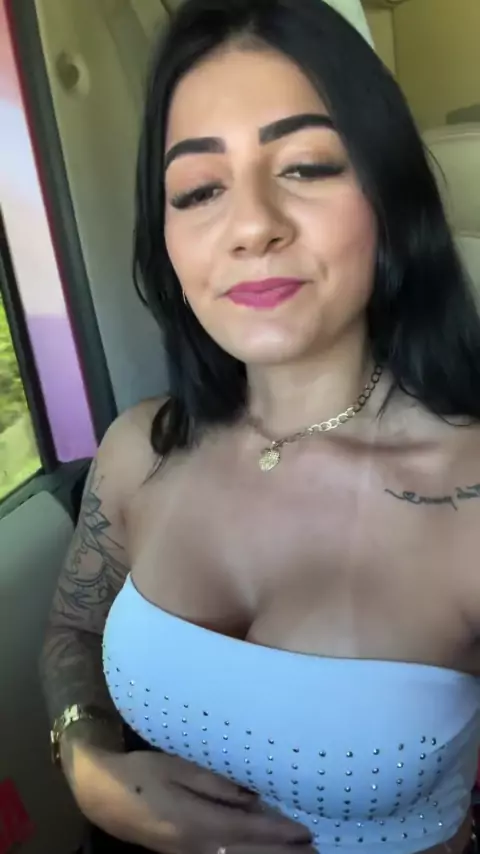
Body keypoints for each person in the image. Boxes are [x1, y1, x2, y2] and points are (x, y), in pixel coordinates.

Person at [41, 0, 480, 852]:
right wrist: (87, 761)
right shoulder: (138, 452)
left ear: (388, 196)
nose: (251, 227)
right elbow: (74, 628)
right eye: (200, 189)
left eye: (306, 167)